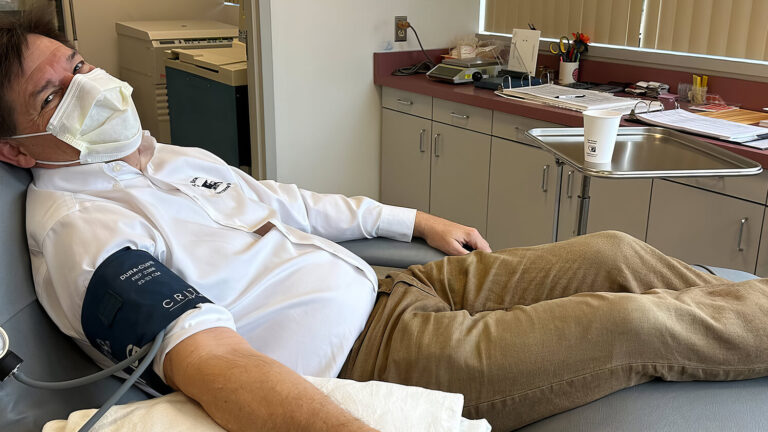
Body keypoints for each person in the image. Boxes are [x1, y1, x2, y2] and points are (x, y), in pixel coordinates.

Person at [3, 10, 768, 432]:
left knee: (616, 251)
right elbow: (215, 368)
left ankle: (739, 315)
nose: (87, 86)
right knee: (631, 324)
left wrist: (415, 219)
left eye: (76, 64)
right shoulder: (80, 229)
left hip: (396, 287)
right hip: (378, 354)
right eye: (51, 96)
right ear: (14, 148)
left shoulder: (160, 156)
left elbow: (291, 202)